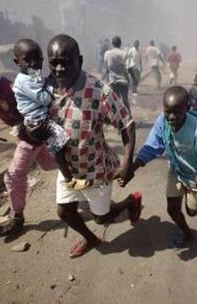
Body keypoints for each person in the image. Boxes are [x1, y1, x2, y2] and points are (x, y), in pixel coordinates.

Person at [47, 34, 142, 258]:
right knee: (65, 211)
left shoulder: (99, 91)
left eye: (65, 62)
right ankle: (91, 239)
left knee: (102, 217)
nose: (59, 69)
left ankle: (130, 201)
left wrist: (127, 163)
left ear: (79, 60)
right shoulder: (45, 90)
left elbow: (127, 125)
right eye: (54, 63)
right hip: (68, 170)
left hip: (96, 170)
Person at [125, 86, 197, 247]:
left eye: (177, 112)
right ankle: (188, 233)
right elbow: (152, 147)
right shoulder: (163, 121)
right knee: (172, 209)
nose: (172, 117)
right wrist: (131, 168)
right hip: (176, 170)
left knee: (192, 211)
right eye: (168, 111)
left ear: (188, 108)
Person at [0, 51, 57, 235]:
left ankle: (17, 218)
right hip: (28, 135)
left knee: (13, 176)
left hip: (32, 136)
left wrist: (24, 125)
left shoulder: (11, 89)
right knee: (48, 164)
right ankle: (80, 167)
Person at [12, 39, 75, 186]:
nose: (34, 63)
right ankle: (69, 177)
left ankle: (68, 172)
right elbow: (44, 98)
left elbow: (42, 83)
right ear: (17, 62)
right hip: (37, 121)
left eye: (38, 59)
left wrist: (50, 81)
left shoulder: (32, 73)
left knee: (60, 142)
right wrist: (53, 87)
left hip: (40, 117)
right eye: (28, 60)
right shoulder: (23, 80)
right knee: (61, 141)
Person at [104, 36, 131, 113]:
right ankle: (129, 117)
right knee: (125, 101)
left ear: (112, 44)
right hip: (123, 81)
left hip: (113, 81)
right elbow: (126, 69)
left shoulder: (107, 54)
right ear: (120, 44)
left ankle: (117, 119)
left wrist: (107, 80)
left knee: (115, 102)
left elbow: (107, 69)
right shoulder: (124, 53)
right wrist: (128, 80)